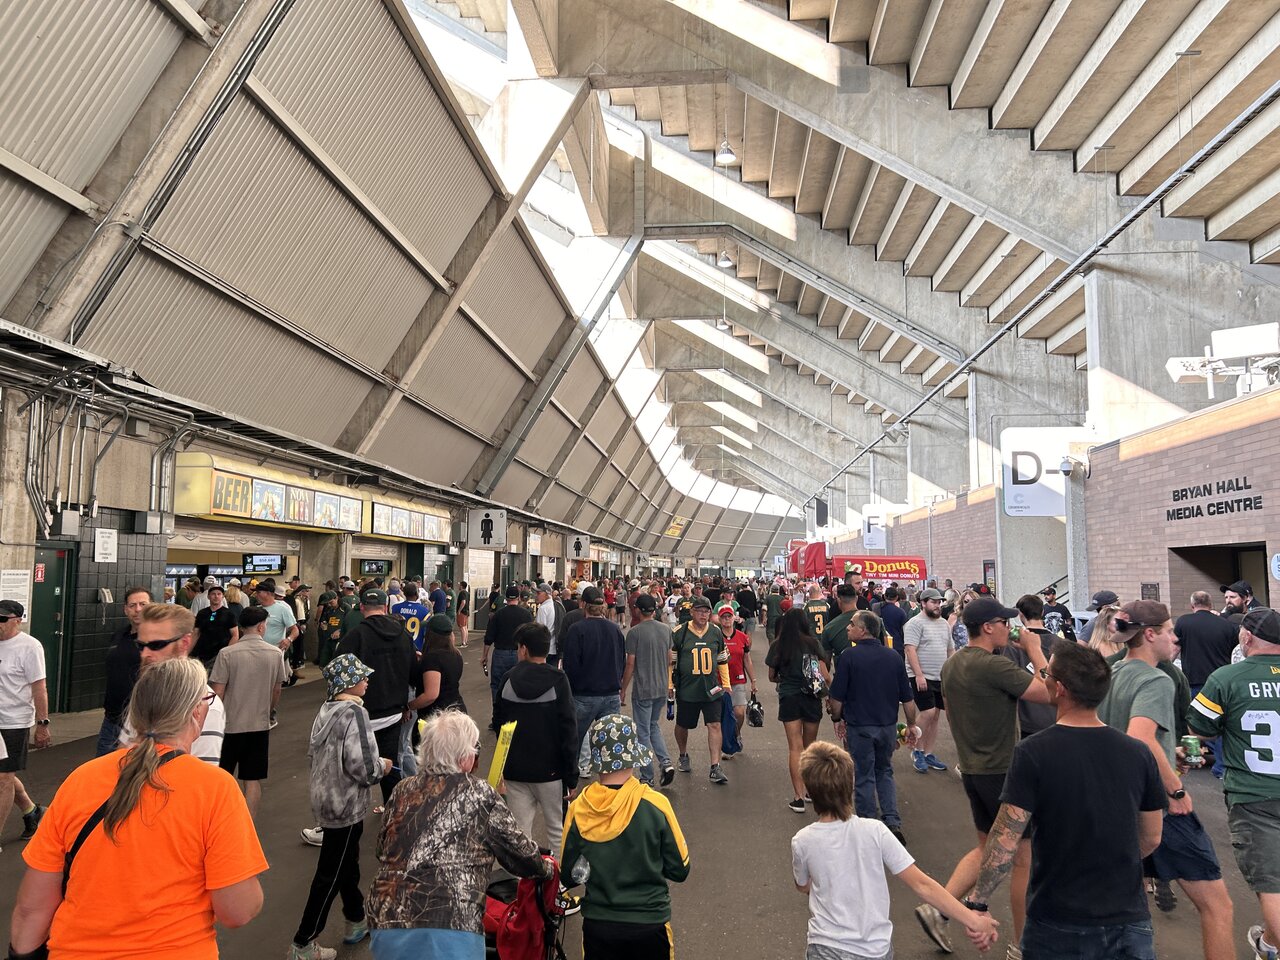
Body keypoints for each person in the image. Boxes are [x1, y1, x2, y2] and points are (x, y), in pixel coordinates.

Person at [10, 658, 266, 958]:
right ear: (197, 711)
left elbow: (31, 909)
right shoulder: (215, 789)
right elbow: (237, 910)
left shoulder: (81, 780)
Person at [971, 641, 1166, 960]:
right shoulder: (1139, 753)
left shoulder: (1032, 752)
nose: (1043, 678)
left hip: (1056, 918)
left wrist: (978, 902)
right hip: (1128, 918)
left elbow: (1006, 838)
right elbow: (1152, 836)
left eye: (1046, 673)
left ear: (1059, 688)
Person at [1097, 600, 1234, 960]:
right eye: (1170, 631)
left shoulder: (1113, 673)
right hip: (1158, 805)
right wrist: (1175, 788)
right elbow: (1140, 737)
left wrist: (1167, 752)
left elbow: (1121, 736)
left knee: (1125, 905)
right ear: (1149, 634)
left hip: (1117, 802)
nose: (1175, 638)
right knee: (1218, 907)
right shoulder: (1156, 679)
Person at [916, 596, 1053, 953]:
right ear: (988, 627)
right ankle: (1021, 945)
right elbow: (1050, 692)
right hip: (1004, 772)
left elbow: (954, 710)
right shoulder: (994, 666)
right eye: (1005, 623)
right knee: (1022, 859)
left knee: (986, 848)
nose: (1010, 628)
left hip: (974, 769)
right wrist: (1035, 649)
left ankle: (939, 909)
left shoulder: (953, 665)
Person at [365, 709, 553, 959]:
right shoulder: (480, 792)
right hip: (451, 921)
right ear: (465, 756)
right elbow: (520, 854)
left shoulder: (402, 789)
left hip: (386, 916)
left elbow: (382, 849)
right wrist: (546, 869)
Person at [792, 741, 998, 960]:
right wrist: (973, 920)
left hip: (824, 946)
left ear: (808, 790)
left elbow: (803, 885)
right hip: (873, 949)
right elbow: (923, 885)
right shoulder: (875, 831)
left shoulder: (802, 841)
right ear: (851, 783)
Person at [1187, 607, 1280, 960]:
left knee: (1272, 883)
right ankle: (1268, 944)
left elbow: (1200, 727)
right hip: (1259, 793)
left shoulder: (1226, 678)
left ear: (1246, 637)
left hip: (1254, 794)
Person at [289, 654, 392, 960]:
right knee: (330, 873)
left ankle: (356, 919)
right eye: (361, 676)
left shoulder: (327, 709)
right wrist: (383, 766)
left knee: (347, 863)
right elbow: (364, 767)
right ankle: (303, 942)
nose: (366, 680)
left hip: (326, 798)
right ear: (348, 682)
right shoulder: (355, 713)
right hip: (346, 803)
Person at [563, 713, 690, 960]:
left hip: (599, 925)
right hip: (650, 924)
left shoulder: (579, 809)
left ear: (597, 761)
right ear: (632, 758)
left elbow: (568, 875)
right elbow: (680, 869)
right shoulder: (656, 804)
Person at [827, 610, 919, 845]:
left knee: (864, 774)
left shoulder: (848, 657)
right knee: (884, 771)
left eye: (852, 624)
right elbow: (907, 698)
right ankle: (892, 821)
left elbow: (836, 697)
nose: (848, 628)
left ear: (863, 630)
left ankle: (868, 824)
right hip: (887, 726)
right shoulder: (893, 657)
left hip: (860, 726)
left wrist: (836, 718)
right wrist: (911, 725)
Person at [495, 622, 578, 853]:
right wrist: (571, 776)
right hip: (552, 772)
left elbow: (499, 724)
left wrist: (501, 768)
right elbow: (569, 729)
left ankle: (524, 875)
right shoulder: (559, 680)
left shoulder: (508, 679)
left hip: (515, 771)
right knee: (557, 830)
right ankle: (558, 874)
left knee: (520, 833)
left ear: (523, 649)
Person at [337, 588, 416, 806]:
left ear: (362, 607)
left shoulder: (355, 636)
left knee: (353, 769)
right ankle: (394, 813)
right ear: (386, 607)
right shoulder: (404, 635)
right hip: (394, 714)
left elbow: (338, 675)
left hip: (361, 717)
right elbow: (414, 674)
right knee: (390, 766)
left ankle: (352, 816)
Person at [209, 606, 289, 819]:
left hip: (228, 726)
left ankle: (218, 821)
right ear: (261, 626)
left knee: (221, 777)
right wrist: (268, 711)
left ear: (242, 627)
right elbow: (277, 690)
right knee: (252, 779)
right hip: (258, 725)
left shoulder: (226, 654)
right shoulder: (275, 654)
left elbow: (217, 692)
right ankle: (248, 825)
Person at [128, 603, 226, 761]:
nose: (144, 654)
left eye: (156, 645)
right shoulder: (146, 689)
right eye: (141, 645)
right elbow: (123, 751)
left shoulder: (204, 704)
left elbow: (200, 772)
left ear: (185, 642)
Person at [766, 608, 832, 813]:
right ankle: (811, 790)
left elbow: (771, 676)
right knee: (810, 746)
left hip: (789, 697)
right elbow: (825, 676)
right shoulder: (813, 643)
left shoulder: (778, 644)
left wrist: (785, 678)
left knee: (795, 747)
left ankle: (798, 797)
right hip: (811, 697)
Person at [0, 600, 49, 849]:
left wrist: (42, 723)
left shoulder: (30, 646)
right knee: (2, 777)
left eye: (2, 619)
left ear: (18, 620)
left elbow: (39, 687)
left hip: (14, 722)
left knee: (3, 778)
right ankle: (32, 811)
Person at [1176, 590, 1239, 780]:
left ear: (1192, 605)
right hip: (1221, 682)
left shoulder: (1184, 622)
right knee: (1221, 724)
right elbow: (1234, 652)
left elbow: (1175, 649)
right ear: (1211, 605)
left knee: (1197, 723)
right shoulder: (1226, 625)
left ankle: (1198, 759)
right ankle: (1222, 766)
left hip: (1195, 681)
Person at [669, 595, 732, 785]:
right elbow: (671, 662)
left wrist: (726, 684)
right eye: (699, 611)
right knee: (683, 724)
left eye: (706, 611)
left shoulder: (715, 632)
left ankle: (715, 766)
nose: (703, 615)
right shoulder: (679, 632)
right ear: (691, 612)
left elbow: (722, 660)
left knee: (714, 724)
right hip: (687, 689)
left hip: (711, 688)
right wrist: (670, 685)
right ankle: (683, 754)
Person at [562, 587, 627, 767]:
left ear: (583, 604)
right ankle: (611, 778)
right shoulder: (615, 629)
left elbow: (570, 665)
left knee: (574, 741)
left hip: (584, 695)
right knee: (611, 745)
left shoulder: (577, 629)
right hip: (611, 694)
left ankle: (571, 776)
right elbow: (622, 660)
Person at [620, 593, 676, 787]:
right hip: (661, 686)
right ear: (654, 610)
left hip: (643, 688)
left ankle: (647, 775)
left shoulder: (634, 632)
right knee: (653, 726)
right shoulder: (666, 629)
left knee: (642, 731)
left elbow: (630, 663)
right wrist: (669, 683)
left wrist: (623, 688)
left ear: (637, 610)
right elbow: (670, 658)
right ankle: (665, 762)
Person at [904, 587, 952, 774]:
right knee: (928, 712)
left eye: (939, 602)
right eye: (933, 602)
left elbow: (950, 649)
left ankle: (928, 753)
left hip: (941, 676)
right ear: (923, 603)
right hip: (921, 676)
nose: (937, 605)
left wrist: (952, 671)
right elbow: (910, 650)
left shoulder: (944, 623)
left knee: (936, 715)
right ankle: (916, 749)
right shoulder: (914, 623)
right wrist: (918, 675)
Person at [96, 587, 148, 758]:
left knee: (133, 771)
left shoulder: (157, 641)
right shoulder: (119, 636)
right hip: (112, 719)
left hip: (141, 723)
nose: (138, 609)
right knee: (103, 769)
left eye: (143, 604)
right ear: (126, 610)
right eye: (132, 605)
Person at [1004, 594, 1058, 740]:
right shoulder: (1061, 644)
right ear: (1042, 612)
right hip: (1056, 718)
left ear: (1020, 614)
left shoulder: (1012, 644)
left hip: (1025, 721)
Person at [482, 585, 534, 732]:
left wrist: (484, 656)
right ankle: (517, 718)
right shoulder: (526, 615)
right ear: (518, 598)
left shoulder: (498, 615)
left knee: (497, 686)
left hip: (500, 654)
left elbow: (489, 638)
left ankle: (497, 719)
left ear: (506, 598)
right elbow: (532, 636)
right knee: (519, 685)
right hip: (520, 654)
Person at [717, 604, 757, 752]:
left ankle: (735, 734)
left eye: (729, 616)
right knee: (721, 715)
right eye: (724, 617)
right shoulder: (715, 636)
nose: (727, 619)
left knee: (739, 713)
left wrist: (753, 680)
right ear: (719, 619)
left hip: (737, 679)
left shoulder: (742, 637)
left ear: (734, 618)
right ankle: (725, 742)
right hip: (719, 681)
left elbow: (747, 659)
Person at [192, 583, 238, 670]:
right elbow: (196, 633)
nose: (216, 596)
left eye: (219, 594)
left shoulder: (229, 614)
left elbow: (235, 635)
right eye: (213, 594)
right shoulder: (202, 613)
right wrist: (188, 651)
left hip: (220, 655)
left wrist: (226, 653)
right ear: (208, 596)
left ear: (222, 597)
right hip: (202, 655)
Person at [391, 582, 430, 651]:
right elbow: (427, 633)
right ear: (416, 594)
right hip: (416, 647)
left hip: (398, 647)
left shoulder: (395, 608)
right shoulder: (425, 611)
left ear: (404, 593)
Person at [315, 591, 344, 666]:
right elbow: (325, 620)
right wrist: (323, 624)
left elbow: (348, 622)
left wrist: (340, 630)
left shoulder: (345, 608)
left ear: (336, 598)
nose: (329, 604)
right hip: (329, 638)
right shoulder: (329, 609)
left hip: (340, 639)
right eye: (328, 603)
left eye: (331, 602)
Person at [455, 581, 470, 649]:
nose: (458, 586)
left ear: (461, 586)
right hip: (466, 612)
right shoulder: (467, 593)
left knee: (462, 627)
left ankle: (463, 642)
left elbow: (463, 602)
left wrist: (459, 610)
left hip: (462, 612)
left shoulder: (462, 593)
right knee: (465, 627)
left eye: (459, 585)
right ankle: (465, 641)